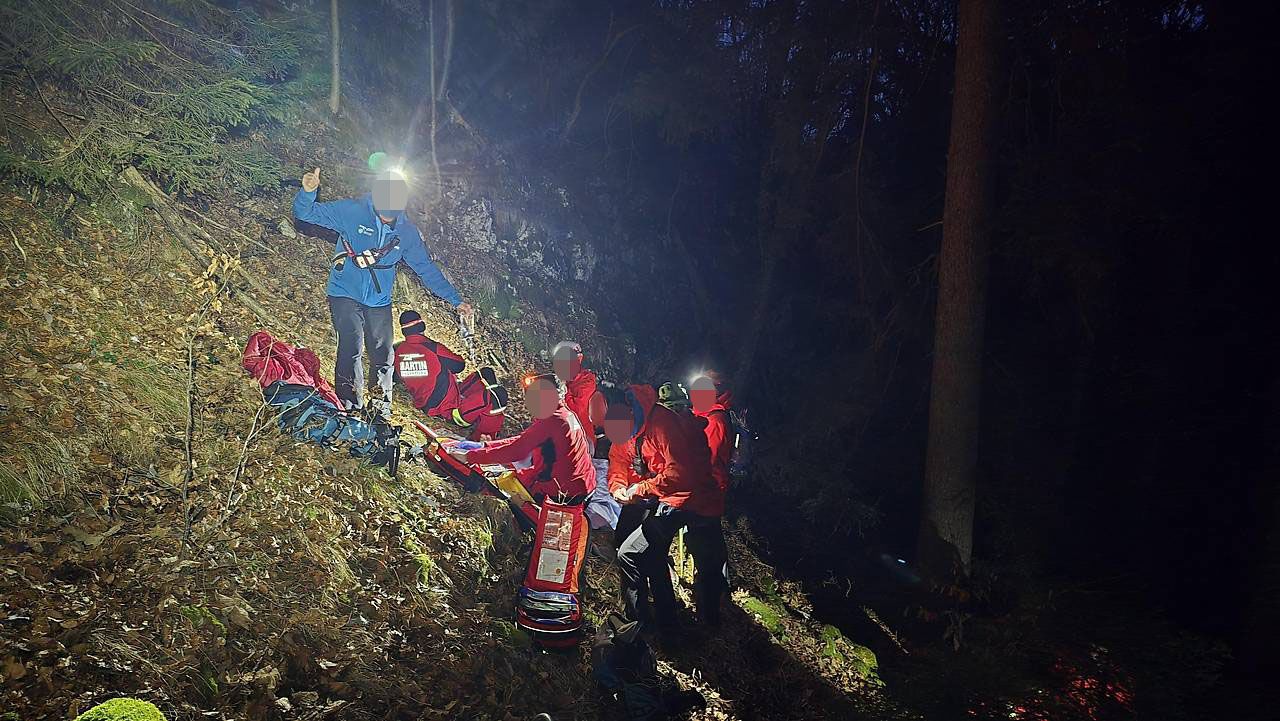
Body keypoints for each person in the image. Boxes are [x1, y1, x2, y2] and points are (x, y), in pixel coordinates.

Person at [293, 166, 472, 422]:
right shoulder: (352, 212)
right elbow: (306, 213)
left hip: (378, 299)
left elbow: (426, 269)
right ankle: (349, 405)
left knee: (384, 352)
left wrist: (456, 300)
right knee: (351, 343)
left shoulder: (406, 233)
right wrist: (308, 192)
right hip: (345, 290)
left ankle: (380, 408)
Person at [606, 383, 722, 631]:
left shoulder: (662, 424)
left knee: (632, 553)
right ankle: (665, 628)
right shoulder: (629, 426)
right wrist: (618, 487)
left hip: (686, 499)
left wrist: (640, 489)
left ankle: (642, 625)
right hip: (666, 497)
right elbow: (618, 459)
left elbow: (680, 475)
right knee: (651, 556)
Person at [454, 374, 595, 501]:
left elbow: (516, 451)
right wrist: (485, 447)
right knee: (516, 475)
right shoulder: (564, 414)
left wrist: (469, 457)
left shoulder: (552, 421)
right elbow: (525, 440)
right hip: (583, 485)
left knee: (498, 489)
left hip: (562, 492)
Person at [688, 372, 733, 627]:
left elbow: (710, 461)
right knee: (709, 550)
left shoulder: (714, 422)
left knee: (706, 554)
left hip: (706, 497)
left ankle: (709, 617)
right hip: (704, 496)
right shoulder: (703, 417)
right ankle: (711, 604)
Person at [393, 310, 466, 419]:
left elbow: (396, 378)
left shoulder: (397, 350)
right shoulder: (433, 348)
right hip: (443, 406)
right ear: (422, 326)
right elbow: (460, 365)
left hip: (422, 403)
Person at [552, 341, 598, 445]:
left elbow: (576, 412)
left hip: (583, 440)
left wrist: (563, 391)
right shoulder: (562, 380)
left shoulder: (586, 381)